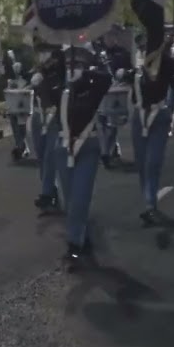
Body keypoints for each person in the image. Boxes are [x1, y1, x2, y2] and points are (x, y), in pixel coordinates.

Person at [57, 43, 111, 268]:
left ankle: (74, 245)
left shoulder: (93, 85)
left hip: (87, 145)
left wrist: (86, 73)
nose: (75, 65)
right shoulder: (59, 85)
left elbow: (105, 79)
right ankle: (82, 235)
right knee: (69, 200)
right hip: (62, 146)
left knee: (79, 199)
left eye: (80, 61)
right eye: (73, 61)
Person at [130, 36, 174, 226]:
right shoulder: (136, 64)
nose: (143, 51)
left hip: (159, 115)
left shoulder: (165, 64)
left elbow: (171, 74)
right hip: (139, 116)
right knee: (142, 163)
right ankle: (148, 200)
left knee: (153, 161)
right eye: (141, 48)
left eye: (146, 48)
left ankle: (150, 205)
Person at [30, 42, 67, 212]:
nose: (42, 55)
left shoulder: (60, 65)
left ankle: (47, 193)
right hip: (38, 115)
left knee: (50, 155)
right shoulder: (38, 69)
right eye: (40, 51)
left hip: (54, 116)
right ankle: (50, 192)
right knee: (40, 154)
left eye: (45, 51)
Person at [98, 26, 134, 168]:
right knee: (102, 123)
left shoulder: (123, 53)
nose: (109, 39)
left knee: (112, 123)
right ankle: (110, 150)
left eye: (112, 37)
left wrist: (125, 72)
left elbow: (132, 71)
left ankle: (106, 152)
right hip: (101, 92)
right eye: (107, 37)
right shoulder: (98, 54)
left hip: (117, 92)